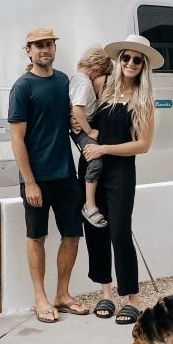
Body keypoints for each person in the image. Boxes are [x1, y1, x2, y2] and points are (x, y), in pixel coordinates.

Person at [8, 28, 90, 323]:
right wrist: (29, 181)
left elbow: (69, 121)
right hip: (37, 179)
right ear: (27, 50)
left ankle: (63, 295)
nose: (45, 49)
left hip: (66, 174)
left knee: (71, 235)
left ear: (55, 48)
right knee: (37, 237)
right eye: (39, 45)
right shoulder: (22, 87)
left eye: (50, 44)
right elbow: (17, 139)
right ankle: (40, 298)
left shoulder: (63, 81)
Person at [80, 33, 160, 325]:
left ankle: (132, 298)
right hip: (91, 169)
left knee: (120, 232)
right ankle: (105, 293)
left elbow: (142, 145)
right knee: (96, 230)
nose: (129, 63)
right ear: (119, 59)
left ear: (143, 66)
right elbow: (78, 100)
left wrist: (104, 148)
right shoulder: (102, 86)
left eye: (137, 60)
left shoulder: (143, 101)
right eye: (126, 57)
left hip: (121, 172)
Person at [69, 46, 114, 228]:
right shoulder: (85, 83)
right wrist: (90, 131)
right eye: (100, 75)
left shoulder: (75, 78)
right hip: (83, 130)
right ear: (96, 69)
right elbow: (78, 109)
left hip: (77, 128)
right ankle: (89, 204)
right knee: (96, 162)